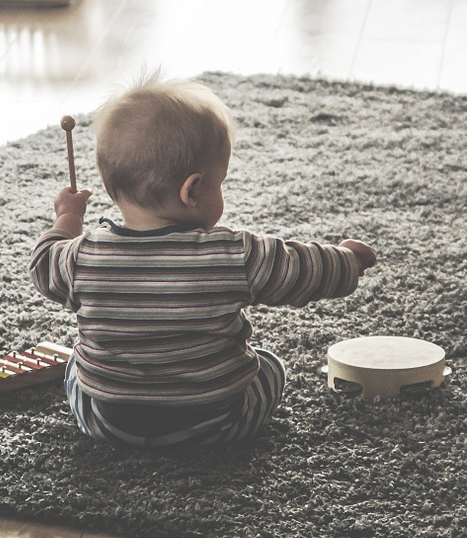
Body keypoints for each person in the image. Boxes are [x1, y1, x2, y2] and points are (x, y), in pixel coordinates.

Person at [30, 72, 377, 450]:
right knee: (270, 366)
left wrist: (68, 217)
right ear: (193, 190)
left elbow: (43, 263)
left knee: (74, 368)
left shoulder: (81, 257)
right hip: (215, 423)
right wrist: (348, 260)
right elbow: (303, 268)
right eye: (220, 182)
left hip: (110, 424)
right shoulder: (233, 254)